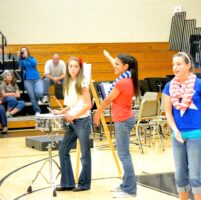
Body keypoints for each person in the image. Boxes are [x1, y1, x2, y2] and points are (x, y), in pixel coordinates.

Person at [162, 52, 201, 200]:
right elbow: (168, 113)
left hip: (196, 134)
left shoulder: (200, 84)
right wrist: (175, 130)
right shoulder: (169, 86)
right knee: (180, 173)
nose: (175, 67)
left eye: (179, 64)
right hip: (178, 135)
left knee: (195, 174)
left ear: (188, 65)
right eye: (173, 64)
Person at [93, 50, 138, 198]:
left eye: (117, 64)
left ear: (125, 66)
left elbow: (107, 100)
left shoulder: (122, 82)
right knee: (123, 153)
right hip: (126, 118)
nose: (114, 66)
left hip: (123, 120)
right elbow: (116, 63)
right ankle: (125, 184)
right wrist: (108, 56)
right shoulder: (129, 76)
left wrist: (98, 113)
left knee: (124, 155)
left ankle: (130, 189)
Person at [53, 57, 92, 192]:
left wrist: (74, 116)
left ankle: (84, 184)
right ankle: (67, 183)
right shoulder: (68, 82)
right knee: (63, 151)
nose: (73, 69)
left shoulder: (82, 82)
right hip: (72, 121)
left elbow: (88, 105)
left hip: (82, 121)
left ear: (79, 68)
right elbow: (72, 104)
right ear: (67, 68)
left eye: (75, 67)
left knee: (85, 154)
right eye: (70, 67)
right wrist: (61, 112)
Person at [17, 47, 43, 115]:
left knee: (40, 92)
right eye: (22, 51)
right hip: (27, 80)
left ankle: (37, 100)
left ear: (27, 51)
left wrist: (27, 57)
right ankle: (37, 110)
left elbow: (34, 64)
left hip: (37, 79)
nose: (24, 52)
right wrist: (19, 57)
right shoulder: (21, 60)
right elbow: (22, 66)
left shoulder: (32, 58)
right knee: (32, 97)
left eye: (25, 50)